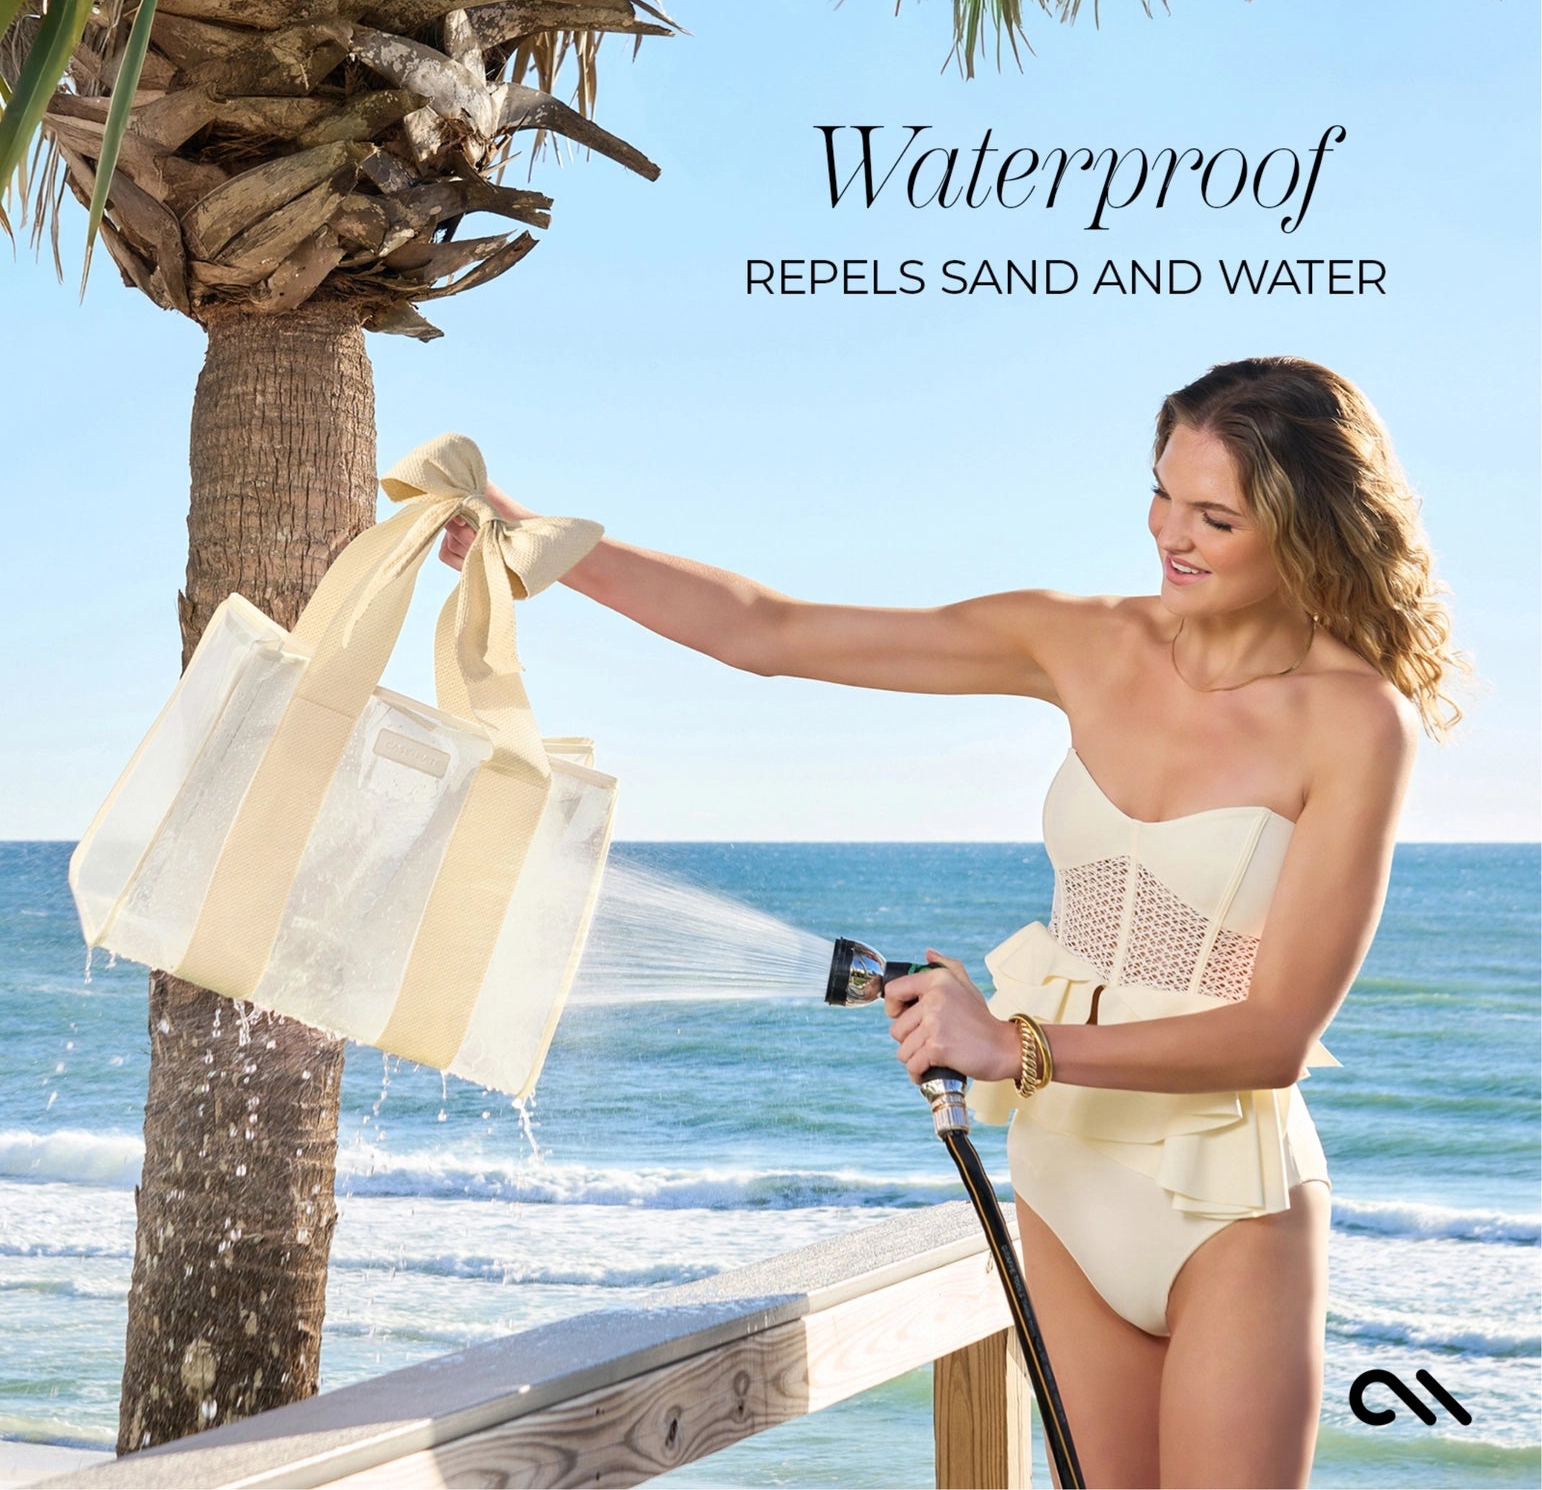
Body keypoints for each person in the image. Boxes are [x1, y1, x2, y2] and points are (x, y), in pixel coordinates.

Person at [440, 356, 1463, 1488]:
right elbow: (769, 629)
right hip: (1064, 1170)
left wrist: (1011, 1046)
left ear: (1305, 527)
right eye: (1163, 492)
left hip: (1224, 1199)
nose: (1170, 532)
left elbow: (1273, 1035)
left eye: (1214, 516)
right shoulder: (1079, 639)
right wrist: (536, 542)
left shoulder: (1356, 721)